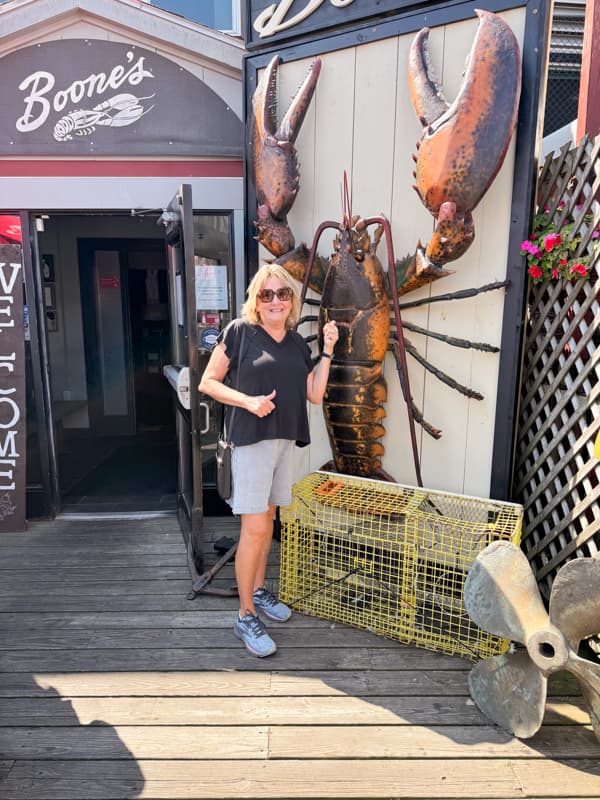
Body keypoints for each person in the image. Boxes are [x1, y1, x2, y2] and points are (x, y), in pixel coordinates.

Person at [198, 263, 339, 657]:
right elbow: (207, 382)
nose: (275, 301)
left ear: (291, 301)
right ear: (256, 301)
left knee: (269, 523)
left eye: (283, 294)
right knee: (255, 531)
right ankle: (244, 615)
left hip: (282, 443)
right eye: (267, 294)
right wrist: (248, 401)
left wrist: (327, 351)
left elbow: (313, 394)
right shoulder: (240, 333)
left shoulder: (296, 343)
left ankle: (258, 592)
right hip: (251, 442)